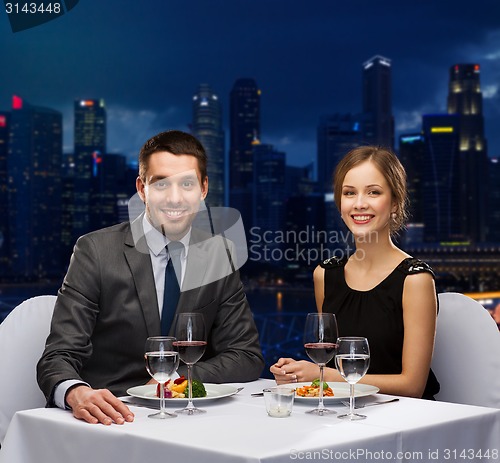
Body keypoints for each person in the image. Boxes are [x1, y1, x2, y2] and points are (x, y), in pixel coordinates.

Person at [37, 130, 264, 425]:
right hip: (112, 416)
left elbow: (245, 356)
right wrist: (76, 392)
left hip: (192, 416)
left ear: (204, 189)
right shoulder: (95, 251)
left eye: (187, 184)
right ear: (142, 189)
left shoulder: (219, 254)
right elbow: (58, 356)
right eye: (161, 184)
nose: (175, 198)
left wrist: (175, 381)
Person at [271, 146, 440, 399]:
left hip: (405, 420)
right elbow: (328, 363)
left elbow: (413, 386)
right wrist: (295, 374)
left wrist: (321, 376)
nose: (360, 204)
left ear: (395, 202)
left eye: (373, 192)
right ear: (340, 204)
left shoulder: (415, 280)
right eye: (349, 193)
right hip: (342, 416)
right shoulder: (325, 275)